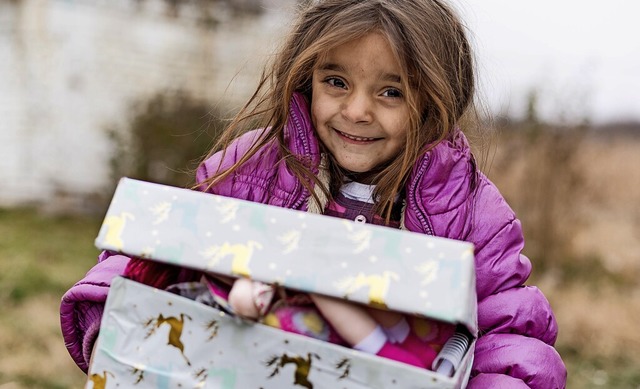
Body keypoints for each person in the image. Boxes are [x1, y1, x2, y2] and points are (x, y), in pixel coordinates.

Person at [60, 0, 567, 387]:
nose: (357, 111)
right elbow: (160, 253)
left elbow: (509, 331)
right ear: (307, 79)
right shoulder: (254, 168)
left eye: (391, 91)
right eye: (336, 81)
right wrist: (112, 320)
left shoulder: (468, 209)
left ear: (435, 99)